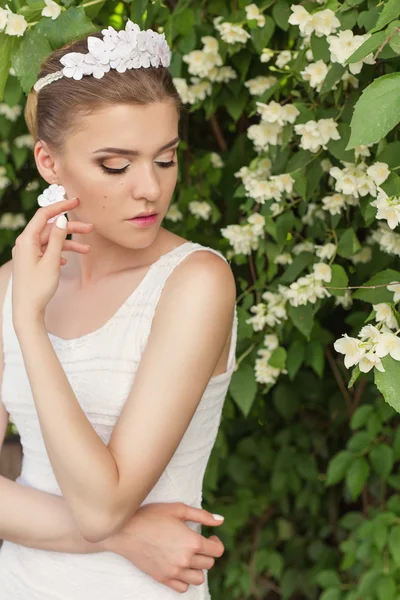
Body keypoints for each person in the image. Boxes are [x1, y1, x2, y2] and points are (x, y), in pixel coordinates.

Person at [0, 18, 238, 600]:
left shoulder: (196, 284)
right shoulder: (11, 283)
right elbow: (106, 524)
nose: (151, 189)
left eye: (164, 158)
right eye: (116, 164)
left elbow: (103, 505)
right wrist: (128, 536)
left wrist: (29, 326)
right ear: (49, 164)